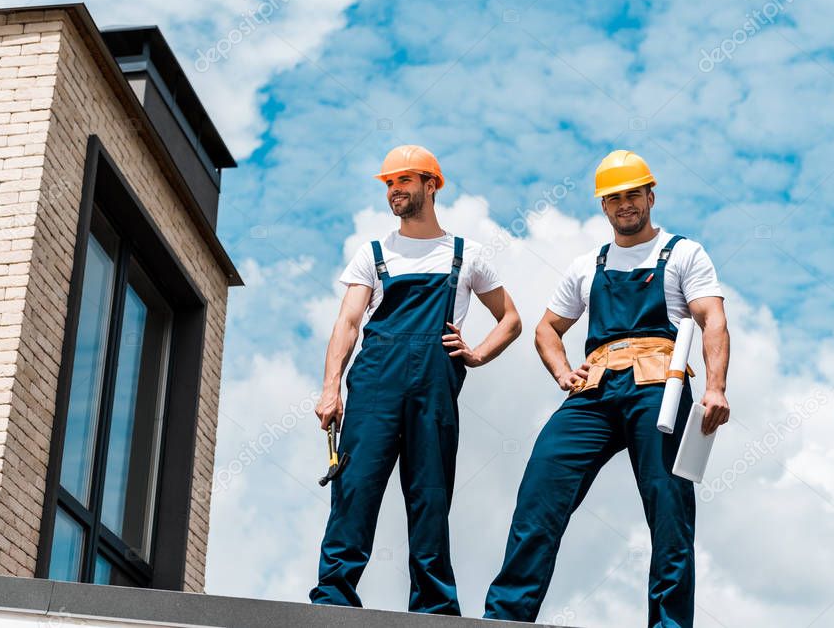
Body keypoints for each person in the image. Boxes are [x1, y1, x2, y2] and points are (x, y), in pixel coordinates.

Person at [483, 150, 730, 627]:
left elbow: (711, 318)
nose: (625, 205)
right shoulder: (587, 265)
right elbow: (545, 329)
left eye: (633, 194)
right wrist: (561, 372)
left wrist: (715, 387)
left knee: (669, 510)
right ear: (603, 206)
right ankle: (505, 619)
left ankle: (669, 625)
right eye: (614, 198)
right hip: (593, 391)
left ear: (650, 196)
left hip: (659, 385)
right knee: (540, 492)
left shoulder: (682, 253)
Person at [310, 144, 522, 615]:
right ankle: (334, 599)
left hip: (435, 392)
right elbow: (346, 324)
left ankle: (434, 607)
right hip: (373, 389)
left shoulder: (467, 256)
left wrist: (476, 354)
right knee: (356, 489)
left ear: (431, 185)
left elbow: (511, 319)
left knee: (430, 496)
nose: (394, 191)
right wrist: (330, 388)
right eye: (388, 184)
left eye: (403, 181)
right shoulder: (373, 254)